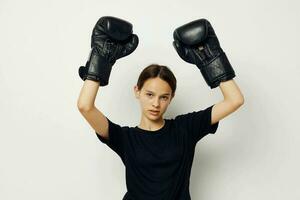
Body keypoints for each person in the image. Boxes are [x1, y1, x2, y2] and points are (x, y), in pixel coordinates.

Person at [77, 16, 244, 200]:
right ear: (137, 91)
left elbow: (234, 100)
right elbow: (85, 106)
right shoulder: (125, 138)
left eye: (163, 97)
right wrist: (100, 58)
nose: (156, 104)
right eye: (149, 95)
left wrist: (211, 60)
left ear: (171, 97)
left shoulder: (185, 128)